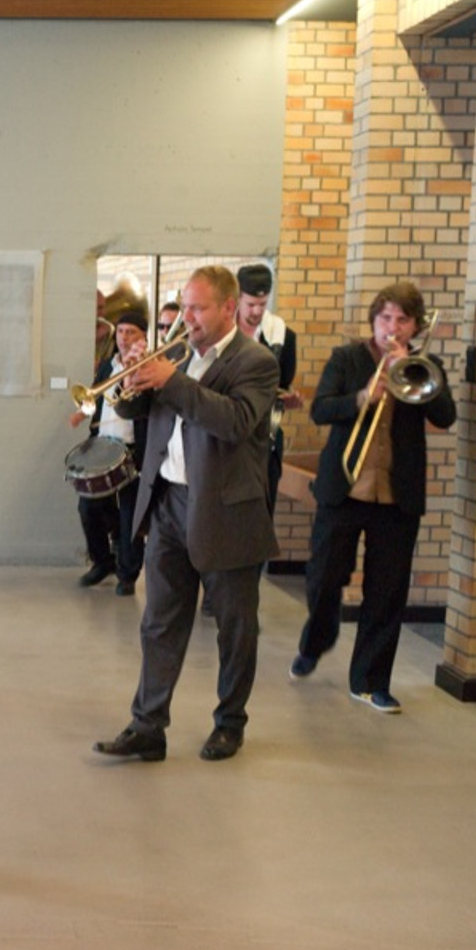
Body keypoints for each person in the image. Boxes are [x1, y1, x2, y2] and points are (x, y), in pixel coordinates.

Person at [93, 266, 279, 763]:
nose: (187, 318)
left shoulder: (256, 362)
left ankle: (230, 724)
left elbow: (234, 421)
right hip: (169, 502)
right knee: (159, 622)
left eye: (198, 308)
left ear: (228, 307)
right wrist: (132, 379)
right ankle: (147, 726)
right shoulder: (175, 356)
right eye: (185, 306)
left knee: (235, 628)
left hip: (226, 509)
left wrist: (171, 381)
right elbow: (137, 414)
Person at [290, 281, 456, 713]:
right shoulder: (347, 359)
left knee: (387, 593)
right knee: (324, 579)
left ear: (415, 326)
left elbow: (446, 416)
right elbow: (320, 409)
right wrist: (362, 397)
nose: (392, 327)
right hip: (344, 488)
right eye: (385, 318)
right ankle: (316, 640)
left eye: (402, 319)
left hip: (398, 498)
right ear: (374, 320)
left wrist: (413, 372)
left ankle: (370, 682)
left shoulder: (424, 365)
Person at [69, 308, 150, 595]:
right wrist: (82, 413)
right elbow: (95, 396)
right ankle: (103, 562)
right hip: (103, 446)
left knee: (130, 516)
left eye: (131, 332)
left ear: (143, 337)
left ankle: (127, 574)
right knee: (88, 507)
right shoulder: (107, 366)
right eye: (121, 332)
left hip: (133, 450)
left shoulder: (148, 366)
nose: (124, 338)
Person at [234, 264, 301, 514]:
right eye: (251, 304)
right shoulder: (223, 333)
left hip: (265, 436)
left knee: (262, 511)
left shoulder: (283, 337)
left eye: (262, 304)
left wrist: (286, 398)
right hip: (228, 433)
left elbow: (283, 383)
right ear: (237, 298)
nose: (257, 311)